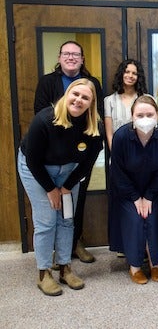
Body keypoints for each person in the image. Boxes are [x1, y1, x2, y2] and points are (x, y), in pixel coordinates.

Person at [18, 78, 103, 296]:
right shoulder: (45, 120)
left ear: (91, 103)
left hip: (68, 172)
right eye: (75, 94)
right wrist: (51, 189)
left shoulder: (94, 127)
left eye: (85, 97)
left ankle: (65, 267)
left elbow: (87, 163)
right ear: (67, 94)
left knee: (66, 219)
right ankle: (43, 273)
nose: (79, 100)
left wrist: (66, 187)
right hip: (36, 170)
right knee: (46, 221)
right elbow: (33, 162)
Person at [33, 40, 104, 264]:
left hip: (80, 152)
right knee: (49, 205)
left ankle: (74, 243)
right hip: (51, 153)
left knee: (76, 199)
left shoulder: (93, 83)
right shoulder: (47, 82)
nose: (71, 57)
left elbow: (96, 114)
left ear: (82, 59)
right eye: (67, 53)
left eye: (76, 54)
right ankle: (53, 251)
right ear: (59, 57)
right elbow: (41, 112)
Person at [110, 95, 158, 284]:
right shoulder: (121, 136)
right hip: (126, 190)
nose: (145, 118)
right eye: (140, 115)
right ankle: (135, 266)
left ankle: (155, 264)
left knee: (152, 219)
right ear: (132, 117)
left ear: (157, 115)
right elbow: (117, 171)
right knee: (135, 221)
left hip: (154, 189)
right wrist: (136, 197)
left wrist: (149, 196)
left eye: (149, 114)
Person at [104, 59, 147, 256]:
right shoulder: (109, 101)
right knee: (123, 203)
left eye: (134, 73)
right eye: (127, 72)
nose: (130, 76)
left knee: (143, 203)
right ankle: (123, 245)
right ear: (121, 74)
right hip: (119, 161)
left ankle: (144, 242)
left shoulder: (146, 99)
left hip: (144, 159)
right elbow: (110, 133)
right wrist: (119, 158)